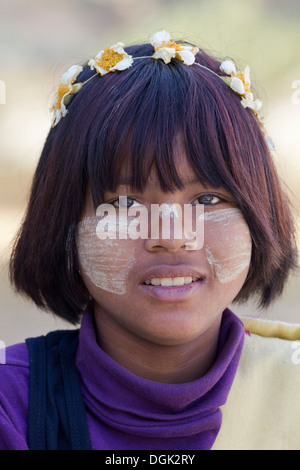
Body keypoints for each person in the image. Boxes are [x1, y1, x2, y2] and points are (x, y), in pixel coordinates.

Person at [1, 30, 299, 450]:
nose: (172, 237)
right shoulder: (12, 405)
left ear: (259, 213)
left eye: (209, 198)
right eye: (124, 203)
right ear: (63, 224)